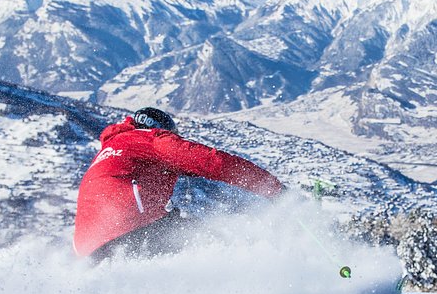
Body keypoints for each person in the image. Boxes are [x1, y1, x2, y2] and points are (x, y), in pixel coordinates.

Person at [74, 107, 284, 260]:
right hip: (131, 229)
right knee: (210, 243)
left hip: (91, 252)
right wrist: (273, 188)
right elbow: (212, 162)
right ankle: (259, 284)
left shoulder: (113, 149)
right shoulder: (151, 139)